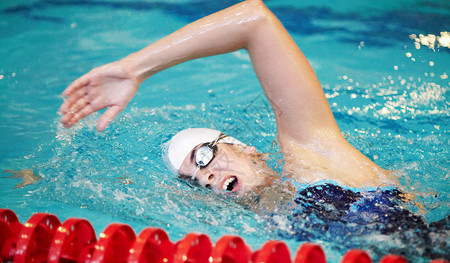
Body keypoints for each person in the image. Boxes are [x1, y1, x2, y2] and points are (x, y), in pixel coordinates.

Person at [60, 0, 400, 206]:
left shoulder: (312, 154)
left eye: (203, 157)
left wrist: (134, 69)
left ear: (247, 149)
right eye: (194, 180)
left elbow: (254, 20)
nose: (205, 177)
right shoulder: (263, 226)